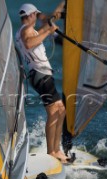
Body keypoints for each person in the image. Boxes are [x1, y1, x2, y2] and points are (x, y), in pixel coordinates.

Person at [15, 4, 69, 163]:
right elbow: (29, 44)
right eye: (35, 15)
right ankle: (51, 151)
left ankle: (56, 149)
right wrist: (47, 32)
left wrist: (60, 8)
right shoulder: (25, 30)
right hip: (40, 75)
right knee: (54, 112)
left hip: (41, 74)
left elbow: (49, 19)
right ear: (30, 15)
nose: (37, 17)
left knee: (61, 110)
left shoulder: (27, 30)